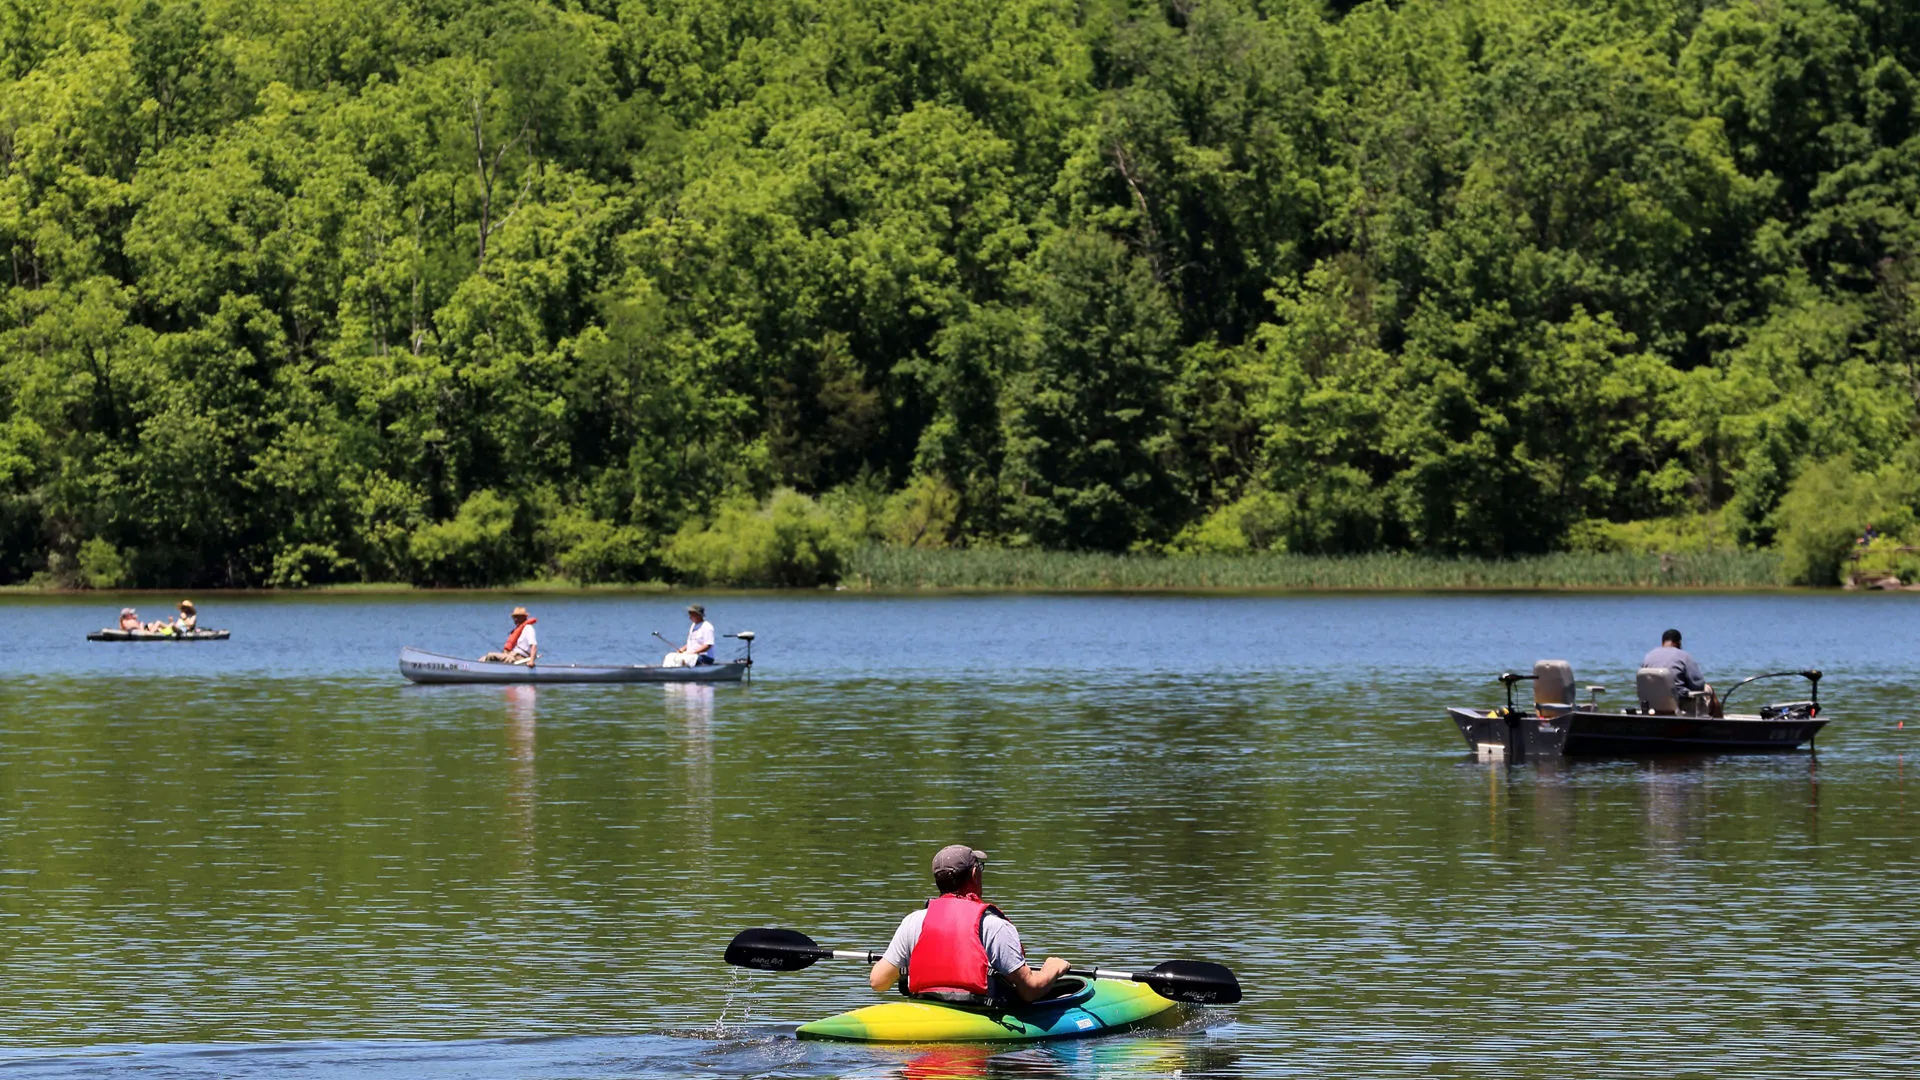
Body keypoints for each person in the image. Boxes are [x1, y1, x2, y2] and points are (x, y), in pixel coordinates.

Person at [868, 845, 1070, 1006]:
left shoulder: (913, 922)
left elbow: (878, 982)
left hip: (928, 1008)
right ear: (974, 874)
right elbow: (1030, 991)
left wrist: (905, 965)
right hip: (979, 1016)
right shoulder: (994, 926)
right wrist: (1052, 969)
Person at [1642, 628, 1710, 706]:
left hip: (1653, 701)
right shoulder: (1684, 656)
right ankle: (1717, 717)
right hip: (1679, 702)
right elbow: (1698, 685)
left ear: (1662, 642)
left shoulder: (1649, 656)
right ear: (1679, 643)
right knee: (1709, 689)